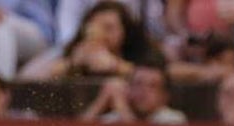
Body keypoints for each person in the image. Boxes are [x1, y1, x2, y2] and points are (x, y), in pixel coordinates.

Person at [19, 0, 155, 79]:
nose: (100, 33)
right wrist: (71, 64)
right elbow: (25, 77)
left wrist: (115, 66)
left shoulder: (139, 52)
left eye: (108, 28)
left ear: (125, 32)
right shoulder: (73, 51)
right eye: (94, 26)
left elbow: (163, 77)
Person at [79, 55, 188, 123]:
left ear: (164, 97)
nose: (143, 91)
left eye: (152, 86)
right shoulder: (115, 118)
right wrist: (102, 100)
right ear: (128, 88)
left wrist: (121, 106)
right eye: (138, 83)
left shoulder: (174, 120)